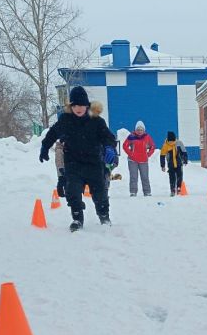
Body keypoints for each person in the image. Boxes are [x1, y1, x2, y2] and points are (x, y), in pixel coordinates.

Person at [39, 86, 117, 231]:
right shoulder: (65, 120)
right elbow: (52, 133)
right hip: (73, 164)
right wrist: (44, 147)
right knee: (72, 191)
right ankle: (77, 219)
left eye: (81, 105)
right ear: (71, 106)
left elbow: (108, 137)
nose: (78, 108)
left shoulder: (97, 121)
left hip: (94, 163)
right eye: (75, 105)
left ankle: (104, 217)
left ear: (87, 105)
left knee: (100, 194)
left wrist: (109, 148)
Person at [123, 120, 155, 196]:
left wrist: (148, 154)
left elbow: (152, 146)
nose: (139, 131)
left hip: (144, 160)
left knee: (145, 177)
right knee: (133, 177)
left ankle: (147, 192)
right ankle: (133, 192)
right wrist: (130, 153)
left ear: (144, 130)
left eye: (141, 130)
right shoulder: (131, 136)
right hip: (132, 160)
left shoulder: (147, 137)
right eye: (138, 129)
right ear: (135, 130)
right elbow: (125, 145)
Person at [159, 131, 188, 196]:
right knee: (172, 177)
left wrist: (185, 160)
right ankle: (172, 189)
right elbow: (162, 156)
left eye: (172, 141)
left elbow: (184, 151)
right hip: (171, 164)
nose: (171, 142)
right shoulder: (165, 145)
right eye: (170, 141)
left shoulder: (179, 143)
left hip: (179, 163)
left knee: (179, 176)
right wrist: (162, 166)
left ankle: (179, 188)